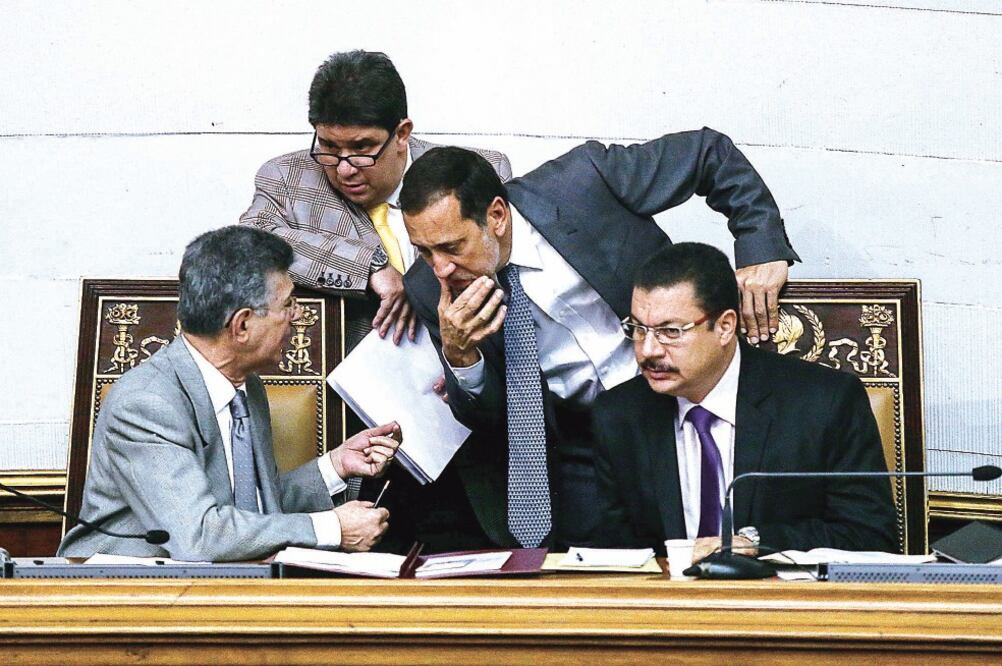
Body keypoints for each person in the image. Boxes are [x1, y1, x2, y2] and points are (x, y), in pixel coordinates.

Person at [398, 129, 801, 550]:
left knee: (730, 543)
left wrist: (760, 245)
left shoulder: (582, 183)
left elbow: (707, 154)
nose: (440, 268)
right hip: (581, 442)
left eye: (451, 246)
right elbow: (492, 420)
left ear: (497, 216)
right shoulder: (429, 291)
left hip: (686, 404)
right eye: (424, 251)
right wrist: (461, 355)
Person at [59, 226, 401, 562]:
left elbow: (248, 511)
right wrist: (331, 529)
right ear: (241, 326)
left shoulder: (245, 385)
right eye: (288, 305)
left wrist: (335, 466)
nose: (297, 316)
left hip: (216, 590)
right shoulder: (146, 404)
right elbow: (200, 535)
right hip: (125, 600)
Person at [591, 242, 897, 558]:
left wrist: (755, 542)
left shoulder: (824, 403)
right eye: (639, 330)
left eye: (670, 331)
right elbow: (612, 551)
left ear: (725, 327)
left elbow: (869, 536)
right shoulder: (618, 415)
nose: (649, 350)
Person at [239, 50, 511, 351]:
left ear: (402, 133)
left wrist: (469, 367)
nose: (344, 168)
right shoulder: (288, 180)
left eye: (361, 148)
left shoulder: (480, 171)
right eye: (328, 146)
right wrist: (370, 266)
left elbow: (515, 289)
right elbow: (248, 243)